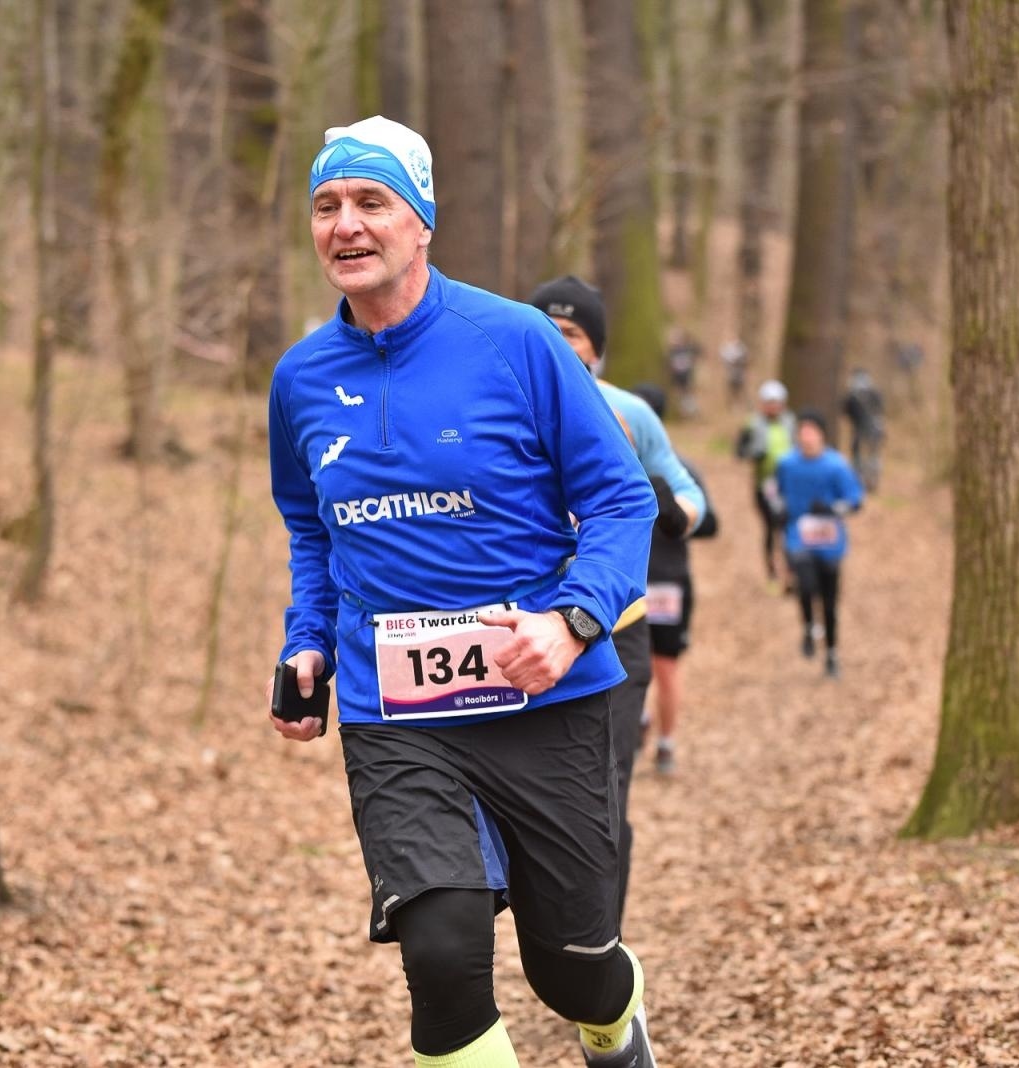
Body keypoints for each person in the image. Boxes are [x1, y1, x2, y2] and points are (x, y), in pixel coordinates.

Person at [267, 116, 659, 1068]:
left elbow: (620, 499)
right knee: (442, 954)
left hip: (545, 698)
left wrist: (572, 623)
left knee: (570, 966)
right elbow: (310, 528)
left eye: (371, 202)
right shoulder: (300, 380)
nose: (346, 225)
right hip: (394, 712)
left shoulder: (517, 342)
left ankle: (615, 1026)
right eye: (326, 206)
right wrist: (307, 638)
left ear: (422, 219)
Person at [529, 275, 705, 913]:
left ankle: (601, 949)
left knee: (604, 794)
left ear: (595, 348)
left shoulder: (631, 413)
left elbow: (693, 498)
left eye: (571, 333)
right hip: (519, 634)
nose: (556, 343)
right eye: (544, 330)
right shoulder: (496, 403)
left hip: (612, 628)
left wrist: (665, 503)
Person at [628, 384, 718, 776]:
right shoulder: (609, 462)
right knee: (631, 664)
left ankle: (665, 743)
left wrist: (674, 515)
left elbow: (711, 524)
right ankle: (639, 724)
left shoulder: (680, 470)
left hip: (667, 580)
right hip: (627, 581)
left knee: (664, 666)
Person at [773, 409, 864, 679]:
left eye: (811, 431)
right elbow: (774, 490)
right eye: (802, 431)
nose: (806, 437)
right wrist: (777, 507)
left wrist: (833, 509)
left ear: (822, 435)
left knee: (829, 600)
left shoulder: (837, 465)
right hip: (798, 536)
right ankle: (809, 627)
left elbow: (856, 500)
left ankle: (832, 654)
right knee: (805, 583)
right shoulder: (787, 464)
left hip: (830, 541)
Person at [734, 380, 796, 588]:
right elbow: (739, 452)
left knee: (788, 528)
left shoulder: (791, 423)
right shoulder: (753, 424)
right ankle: (771, 572)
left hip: (788, 485)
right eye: (769, 403)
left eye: (777, 403)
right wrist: (754, 453)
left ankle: (790, 573)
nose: (773, 407)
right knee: (771, 528)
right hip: (764, 486)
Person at [841, 368, 886, 492]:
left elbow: (880, 410)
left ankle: (869, 481)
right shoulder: (854, 395)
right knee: (862, 457)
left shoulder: (871, 393)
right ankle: (861, 481)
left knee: (870, 457)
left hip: (870, 429)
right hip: (861, 430)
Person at [719, 338, 748, 408]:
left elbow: (745, 361)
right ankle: (730, 404)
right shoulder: (728, 351)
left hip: (739, 375)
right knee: (731, 390)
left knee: (739, 390)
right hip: (732, 375)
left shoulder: (742, 351)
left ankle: (738, 404)